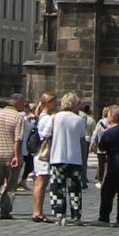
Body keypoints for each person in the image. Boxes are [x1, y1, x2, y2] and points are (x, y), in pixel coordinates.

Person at [49, 92, 87, 223]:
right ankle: (76, 215)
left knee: (57, 186)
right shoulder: (79, 119)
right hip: (74, 158)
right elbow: (82, 135)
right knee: (75, 188)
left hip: (57, 156)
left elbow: (48, 133)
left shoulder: (55, 117)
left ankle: (60, 215)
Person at [31, 92, 57, 222]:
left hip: (38, 153)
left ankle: (37, 211)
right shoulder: (47, 118)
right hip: (44, 153)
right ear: (48, 103)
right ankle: (38, 211)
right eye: (54, 102)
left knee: (38, 183)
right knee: (41, 183)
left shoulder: (40, 116)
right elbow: (46, 134)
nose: (56, 104)